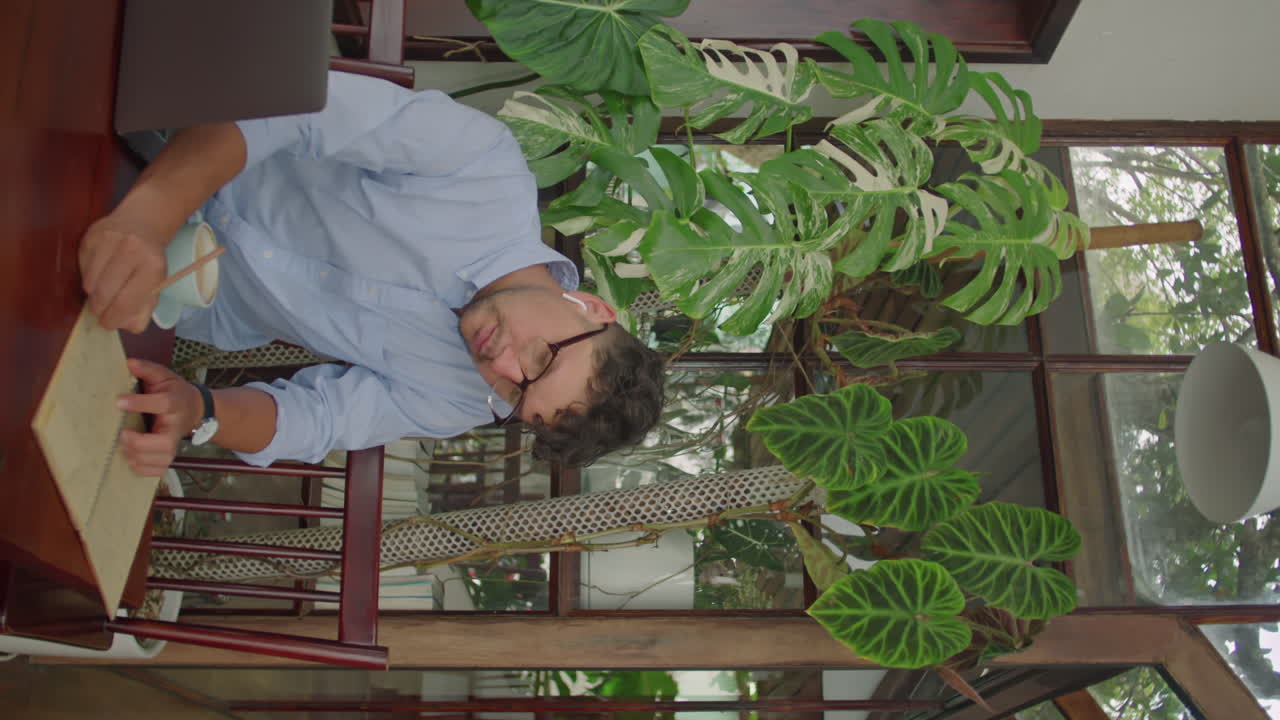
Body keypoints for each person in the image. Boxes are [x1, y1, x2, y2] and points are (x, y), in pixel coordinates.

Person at [79, 71, 666, 477]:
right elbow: (289, 112)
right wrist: (151, 216)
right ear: (591, 306)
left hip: (167, 300)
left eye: (518, 394)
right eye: (542, 358)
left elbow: (322, 419)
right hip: (156, 135)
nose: (502, 367)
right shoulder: (482, 168)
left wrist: (202, 414)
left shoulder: (460, 399)